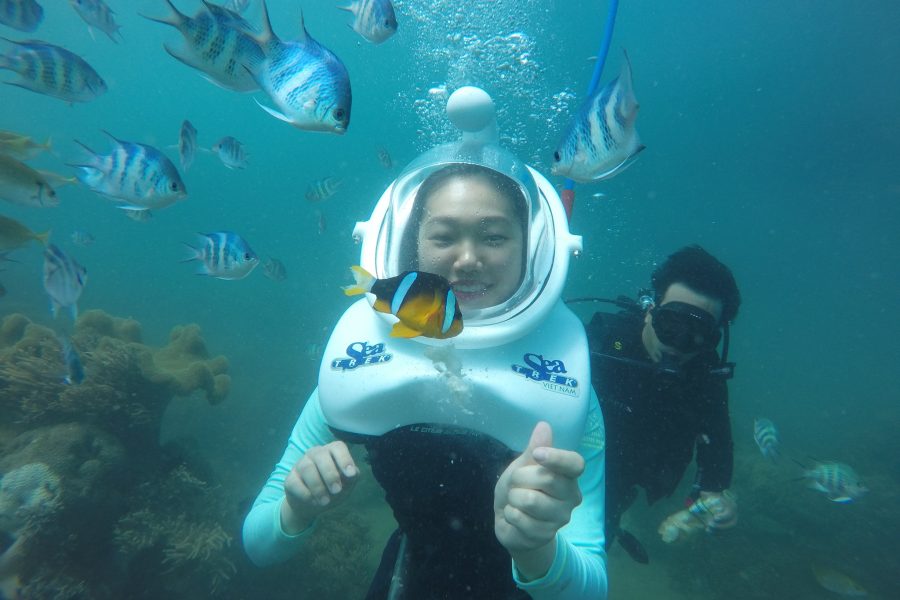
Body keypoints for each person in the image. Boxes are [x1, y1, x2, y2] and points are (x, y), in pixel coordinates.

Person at [242, 87, 608, 599]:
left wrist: (537, 548)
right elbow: (259, 545)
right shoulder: (365, 354)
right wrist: (295, 507)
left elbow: (591, 587)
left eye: (495, 236)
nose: (467, 259)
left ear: (534, 249)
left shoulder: (561, 380)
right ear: (411, 243)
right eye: (442, 236)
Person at [585, 245, 740, 564]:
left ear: (714, 339)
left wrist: (716, 501)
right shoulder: (602, 341)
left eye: (698, 334)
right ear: (650, 309)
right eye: (670, 325)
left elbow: (717, 445)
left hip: (620, 486)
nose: (678, 345)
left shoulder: (704, 376)